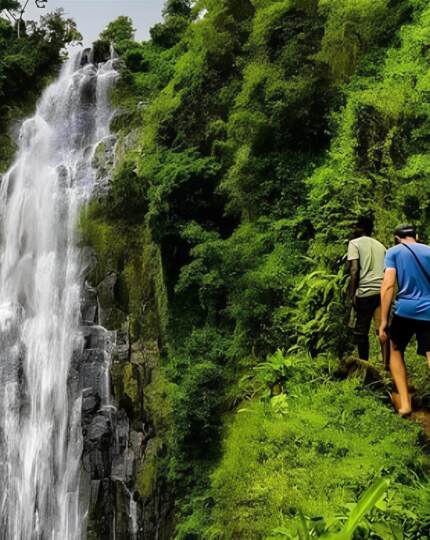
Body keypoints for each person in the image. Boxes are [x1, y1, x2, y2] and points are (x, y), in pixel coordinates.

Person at [379, 224, 430, 416]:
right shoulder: (429, 251)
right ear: (416, 236)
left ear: (396, 238)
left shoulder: (393, 252)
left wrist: (383, 320)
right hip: (429, 312)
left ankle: (406, 404)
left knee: (395, 349)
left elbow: (388, 286)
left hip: (405, 311)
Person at [347, 216, 387, 362]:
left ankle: (364, 363)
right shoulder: (381, 246)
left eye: (356, 226)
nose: (354, 230)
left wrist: (352, 295)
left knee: (361, 332)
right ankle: (386, 364)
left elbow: (354, 269)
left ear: (362, 228)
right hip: (381, 292)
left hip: (365, 292)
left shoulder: (354, 244)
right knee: (381, 329)